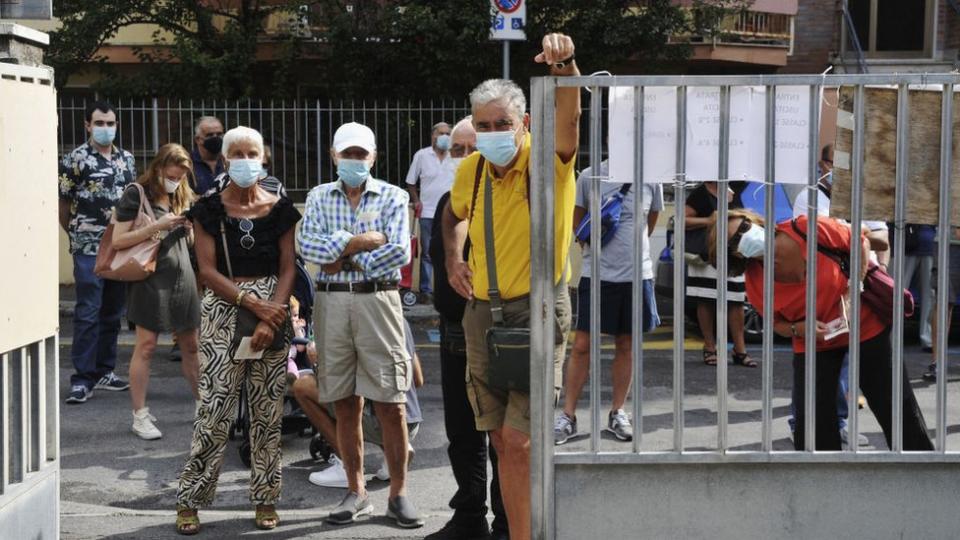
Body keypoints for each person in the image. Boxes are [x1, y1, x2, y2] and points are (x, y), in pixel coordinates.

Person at [442, 33, 581, 540]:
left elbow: (568, 121)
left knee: (521, 443)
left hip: (539, 310)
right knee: (499, 439)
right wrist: (455, 256)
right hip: (483, 314)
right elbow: (454, 216)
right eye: (483, 126)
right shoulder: (472, 169)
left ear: (524, 123)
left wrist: (564, 68)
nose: (493, 133)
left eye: (503, 124)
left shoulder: (548, 161)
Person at [709, 209, 934, 451]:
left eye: (744, 227)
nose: (745, 235)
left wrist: (852, 289)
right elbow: (777, 325)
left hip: (864, 325)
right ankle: (821, 480)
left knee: (894, 407)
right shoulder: (756, 282)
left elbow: (859, 241)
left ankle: (921, 474)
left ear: (754, 221)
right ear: (734, 254)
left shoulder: (804, 226)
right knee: (812, 422)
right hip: (815, 342)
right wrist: (798, 327)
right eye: (735, 240)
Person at [175, 126, 301, 535]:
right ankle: (191, 498)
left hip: (273, 309)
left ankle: (266, 498)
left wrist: (270, 316)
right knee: (214, 412)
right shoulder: (208, 208)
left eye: (253, 153)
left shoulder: (280, 209)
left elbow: (288, 268)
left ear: (264, 158)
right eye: (238, 154)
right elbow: (207, 271)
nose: (246, 160)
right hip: (225, 309)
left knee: (267, 413)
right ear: (226, 160)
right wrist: (251, 305)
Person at [298, 121, 423, 528]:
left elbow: (399, 252)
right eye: (347, 153)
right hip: (332, 304)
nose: (354, 160)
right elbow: (307, 247)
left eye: (361, 154)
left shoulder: (393, 195)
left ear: (373, 157)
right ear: (334, 156)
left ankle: (399, 494)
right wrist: (361, 242)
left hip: (378, 299)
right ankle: (357, 491)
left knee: (391, 402)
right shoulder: (317, 196)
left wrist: (341, 253)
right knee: (345, 402)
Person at [426, 117, 509, 540]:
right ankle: (469, 515)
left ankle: (508, 522)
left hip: (496, 332)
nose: (461, 158)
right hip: (452, 330)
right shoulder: (447, 200)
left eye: (469, 148)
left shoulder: (509, 197)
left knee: (500, 432)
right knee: (462, 432)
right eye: (455, 150)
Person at [554, 159, 663, 445]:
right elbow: (578, 222)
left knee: (626, 344)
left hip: (637, 275)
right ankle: (568, 415)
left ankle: (617, 411)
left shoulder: (651, 177)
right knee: (581, 346)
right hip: (597, 275)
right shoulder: (590, 177)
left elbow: (650, 222)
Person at [110, 144, 201, 440]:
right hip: (150, 278)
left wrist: (188, 230)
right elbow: (118, 241)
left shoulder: (181, 195)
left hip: (182, 276)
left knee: (191, 346)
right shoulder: (137, 192)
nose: (175, 181)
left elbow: (187, 245)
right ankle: (140, 415)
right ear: (159, 168)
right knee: (146, 346)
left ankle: (204, 407)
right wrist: (157, 226)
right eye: (171, 175)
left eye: (181, 177)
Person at [59, 100, 135, 404]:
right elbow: (62, 205)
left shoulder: (127, 159)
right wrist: (77, 236)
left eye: (111, 123)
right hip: (88, 248)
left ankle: (105, 371)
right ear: (88, 125)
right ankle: (82, 378)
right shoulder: (75, 159)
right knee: (88, 312)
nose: (106, 129)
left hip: (120, 247)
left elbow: (132, 202)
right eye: (100, 123)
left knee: (112, 312)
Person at [292, 318, 423, 487]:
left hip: (380, 419)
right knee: (376, 393)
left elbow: (342, 381)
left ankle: (347, 466)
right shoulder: (400, 319)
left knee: (303, 387)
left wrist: (318, 359)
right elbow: (418, 380)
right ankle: (395, 452)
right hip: (410, 418)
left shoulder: (356, 320)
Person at [685, 181, 754, 367]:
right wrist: (708, 221)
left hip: (732, 254)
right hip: (706, 253)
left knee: (736, 300)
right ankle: (709, 347)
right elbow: (682, 219)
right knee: (706, 299)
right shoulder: (700, 193)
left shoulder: (731, 190)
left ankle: (740, 349)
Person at [405, 121, 454, 303]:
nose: (444, 137)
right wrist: (416, 200)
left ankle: (448, 287)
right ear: (432, 136)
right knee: (427, 253)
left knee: (450, 250)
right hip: (427, 213)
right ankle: (426, 290)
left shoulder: (456, 155)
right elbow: (411, 181)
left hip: (451, 213)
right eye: (440, 133)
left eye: (448, 133)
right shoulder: (421, 155)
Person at [924, 227, 960, 380]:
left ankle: (938, 363)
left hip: (949, 239)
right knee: (944, 302)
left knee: (944, 303)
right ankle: (937, 363)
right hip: (948, 241)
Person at [190, 116, 225, 195]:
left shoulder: (229, 162)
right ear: (198, 140)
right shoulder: (188, 164)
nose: (215, 138)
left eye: (219, 134)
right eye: (210, 135)